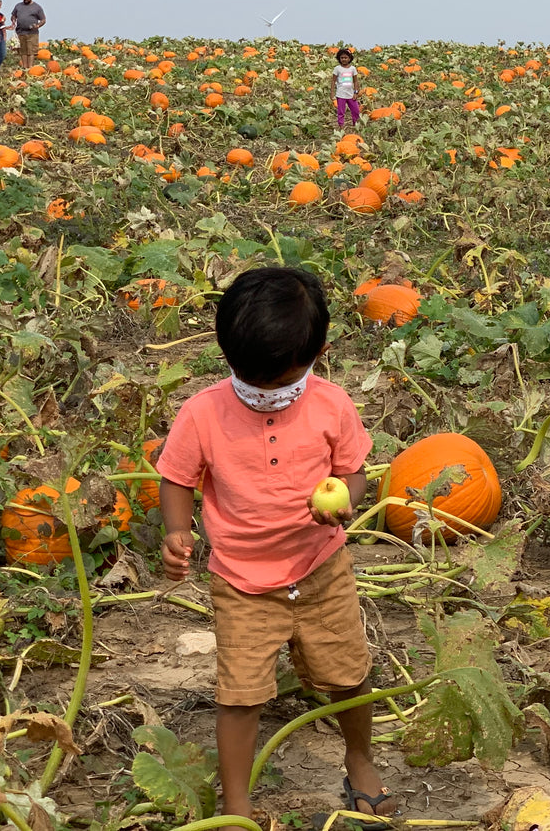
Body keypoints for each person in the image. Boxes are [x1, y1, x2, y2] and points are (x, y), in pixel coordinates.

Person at [156, 266, 396, 820]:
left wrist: (346, 501)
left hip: (320, 567)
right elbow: (176, 477)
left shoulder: (332, 405)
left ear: (319, 354)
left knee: (348, 675)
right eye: (251, 380)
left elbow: (353, 469)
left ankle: (359, 757)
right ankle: (237, 804)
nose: (265, 394)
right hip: (241, 580)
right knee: (239, 695)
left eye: (280, 381)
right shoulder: (203, 412)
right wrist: (176, 530)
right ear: (227, 356)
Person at [10, 0, 46, 70]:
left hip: (32, 33)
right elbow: (13, 15)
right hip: (20, 31)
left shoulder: (37, 7)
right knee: (23, 50)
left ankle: (30, 67)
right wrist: (13, 20)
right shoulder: (18, 6)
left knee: (31, 51)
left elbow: (43, 20)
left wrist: (38, 25)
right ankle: (24, 67)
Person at [331, 47, 362, 128]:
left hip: (351, 94)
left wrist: (356, 92)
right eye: (342, 58)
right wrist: (332, 93)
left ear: (349, 58)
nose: (344, 59)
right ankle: (341, 126)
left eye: (345, 57)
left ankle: (356, 124)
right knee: (341, 111)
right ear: (339, 58)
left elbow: (355, 81)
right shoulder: (337, 69)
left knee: (356, 110)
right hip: (341, 94)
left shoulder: (353, 69)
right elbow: (333, 81)